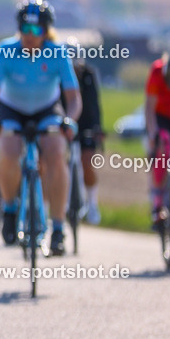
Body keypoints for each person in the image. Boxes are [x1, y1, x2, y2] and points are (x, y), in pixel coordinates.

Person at [0, 0, 82, 255]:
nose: (29, 35)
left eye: (36, 30)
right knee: (7, 149)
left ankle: (58, 228)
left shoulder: (58, 53)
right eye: (25, 29)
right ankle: (9, 209)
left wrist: (70, 120)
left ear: (46, 31)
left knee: (57, 152)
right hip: (11, 108)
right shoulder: (5, 50)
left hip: (46, 110)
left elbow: (73, 98)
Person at [65, 37, 104, 224]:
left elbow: (95, 105)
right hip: (63, 124)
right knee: (56, 159)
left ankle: (92, 204)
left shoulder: (89, 74)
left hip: (86, 125)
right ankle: (60, 202)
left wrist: (97, 128)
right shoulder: (59, 76)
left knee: (87, 162)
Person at [144, 52, 170, 230]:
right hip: (162, 117)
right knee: (164, 143)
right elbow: (149, 108)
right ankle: (158, 202)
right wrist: (154, 135)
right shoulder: (157, 71)